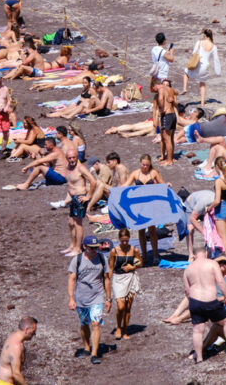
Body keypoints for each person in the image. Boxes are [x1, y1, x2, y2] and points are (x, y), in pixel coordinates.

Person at [184, 248, 226, 363]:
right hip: (210, 300)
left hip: (195, 301)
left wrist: (192, 303)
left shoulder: (188, 268)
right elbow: (221, 282)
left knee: (198, 330)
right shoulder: (212, 264)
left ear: (194, 255)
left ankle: (199, 357)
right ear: (206, 253)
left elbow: (187, 290)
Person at [67, 236, 111, 365]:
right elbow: (71, 279)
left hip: (97, 296)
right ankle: (87, 347)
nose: (94, 251)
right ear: (84, 247)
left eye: (96, 248)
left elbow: (107, 279)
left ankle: (94, 353)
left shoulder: (102, 259)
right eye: (91, 248)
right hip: (81, 298)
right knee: (84, 323)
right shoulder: (77, 260)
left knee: (96, 323)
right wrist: (71, 298)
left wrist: (108, 298)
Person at [122, 155, 165, 264]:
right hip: (139, 205)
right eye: (143, 165)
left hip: (150, 204)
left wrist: (167, 185)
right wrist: (116, 191)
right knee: (141, 230)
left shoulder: (153, 173)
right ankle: (144, 255)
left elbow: (162, 183)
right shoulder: (135, 174)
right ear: (140, 163)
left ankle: (155, 255)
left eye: (147, 165)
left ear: (150, 164)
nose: (145, 167)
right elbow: (126, 185)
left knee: (152, 230)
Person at [108, 228, 142, 340]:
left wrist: (132, 266)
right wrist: (107, 282)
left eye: (126, 240)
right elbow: (111, 267)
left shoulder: (134, 250)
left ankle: (125, 330)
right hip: (118, 279)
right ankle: (118, 327)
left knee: (128, 307)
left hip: (130, 278)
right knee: (120, 306)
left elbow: (140, 262)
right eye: (122, 240)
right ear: (119, 239)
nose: (125, 243)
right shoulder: (114, 251)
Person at [63, 150, 97, 256]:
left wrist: (88, 196)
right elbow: (70, 184)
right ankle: (72, 245)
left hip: (80, 198)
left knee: (78, 224)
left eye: (74, 157)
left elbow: (93, 181)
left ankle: (78, 248)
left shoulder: (80, 168)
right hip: (73, 198)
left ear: (77, 157)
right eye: (70, 158)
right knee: (71, 223)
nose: (72, 160)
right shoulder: (68, 167)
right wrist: (67, 198)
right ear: (66, 158)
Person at [182, 29, 221, 106]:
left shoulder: (199, 42)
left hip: (198, 63)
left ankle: (185, 88)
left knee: (186, 73)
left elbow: (194, 53)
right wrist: (218, 71)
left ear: (205, 35)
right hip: (205, 66)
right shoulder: (213, 46)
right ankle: (202, 103)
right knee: (202, 83)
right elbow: (216, 59)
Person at [0, 316, 38, 385]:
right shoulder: (16, 346)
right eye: (33, 332)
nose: (34, 334)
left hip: (0, 381)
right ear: (26, 330)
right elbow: (16, 374)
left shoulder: (12, 336)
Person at [211, 155, 226, 257]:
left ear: (217, 166)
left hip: (221, 207)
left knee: (223, 235)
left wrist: (209, 207)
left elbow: (217, 200)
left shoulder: (219, 181)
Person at [183, 189, 215, 260]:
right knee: (190, 229)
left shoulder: (217, 203)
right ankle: (191, 254)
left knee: (212, 228)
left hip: (205, 204)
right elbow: (192, 219)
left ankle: (209, 251)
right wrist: (204, 232)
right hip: (190, 205)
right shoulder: (202, 203)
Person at [153, 78, 178, 166]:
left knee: (167, 139)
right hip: (172, 115)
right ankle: (169, 158)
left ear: (155, 85)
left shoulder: (161, 89)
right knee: (170, 138)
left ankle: (169, 160)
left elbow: (160, 99)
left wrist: (162, 109)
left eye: (154, 88)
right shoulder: (171, 90)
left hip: (167, 115)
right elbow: (177, 93)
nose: (154, 91)